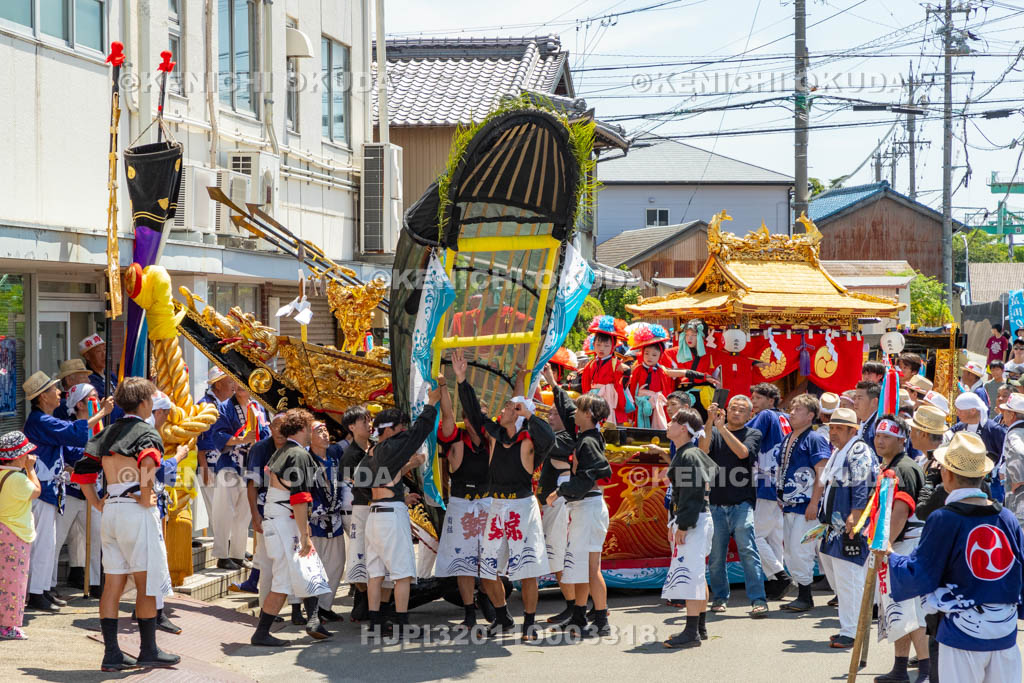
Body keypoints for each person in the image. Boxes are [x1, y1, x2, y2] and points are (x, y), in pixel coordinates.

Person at [887, 431, 1024, 683]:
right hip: (1004, 631)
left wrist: (889, 556)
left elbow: (921, 572)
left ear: (946, 474)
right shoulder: (1007, 518)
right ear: (983, 475)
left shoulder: (944, 518)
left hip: (962, 633)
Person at [70, 377, 181, 670]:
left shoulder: (105, 433)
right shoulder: (146, 431)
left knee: (112, 585)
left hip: (112, 511)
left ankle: (112, 654)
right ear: (144, 403)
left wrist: (96, 503)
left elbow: (82, 473)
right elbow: (148, 462)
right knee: (147, 586)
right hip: (135, 510)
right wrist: (146, 496)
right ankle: (149, 650)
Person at [455, 349, 554, 639]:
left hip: (522, 507)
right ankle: (502, 618)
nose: (506, 407)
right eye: (507, 406)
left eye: (511, 406)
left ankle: (531, 623)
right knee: (486, 569)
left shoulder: (528, 442)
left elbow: (549, 439)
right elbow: (474, 413)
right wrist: (462, 380)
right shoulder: (495, 436)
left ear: (520, 413)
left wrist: (530, 412)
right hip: (497, 507)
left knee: (527, 570)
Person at [22, 371, 111, 612]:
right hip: (42, 490)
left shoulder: (45, 419)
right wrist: (101, 413)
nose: (59, 392)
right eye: (53, 389)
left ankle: (42, 589)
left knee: (48, 544)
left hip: (50, 490)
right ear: (42, 397)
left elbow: (70, 434)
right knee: (42, 543)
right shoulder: (39, 420)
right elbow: (72, 431)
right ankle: (35, 592)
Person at [249, 408, 331, 646]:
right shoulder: (298, 454)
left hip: (278, 519)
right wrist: (305, 535)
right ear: (303, 428)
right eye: (310, 427)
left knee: (298, 572)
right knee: (289, 576)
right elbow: (299, 498)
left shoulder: (284, 451)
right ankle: (263, 633)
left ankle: (310, 621)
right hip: (285, 521)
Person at [364, 397, 436, 639]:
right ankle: (402, 624)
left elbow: (363, 482)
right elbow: (419, 433)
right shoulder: (390, 447)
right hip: (390, 516)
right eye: (400, 427)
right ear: (390, 429)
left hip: (374, 515)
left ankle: (375, 624)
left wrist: (404, 468)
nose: (403, 430)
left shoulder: (371, 451)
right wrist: (431, 404)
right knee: (402, 574)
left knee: (375, 574)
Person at [547, 392, 612, 638]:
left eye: (578, 409)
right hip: (586, 508)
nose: (572, 413)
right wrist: (554, 386)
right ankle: (578, 616)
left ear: (588, 414)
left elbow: (598, 469)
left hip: (589, 508)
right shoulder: (586, 436)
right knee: (583, 566)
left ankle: (601, 620)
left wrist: (561, 490)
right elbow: (565, 409)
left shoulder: (588, 441)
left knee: (591, 567)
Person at [698, 396, 769, 617]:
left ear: (750, 416)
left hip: (742, 502)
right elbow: (703, 450)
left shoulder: (753, 434)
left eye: (742, 410)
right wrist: (710, 422)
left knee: (748, 550)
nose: (736, 412)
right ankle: (720, 597)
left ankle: (758, 599)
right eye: (733, 409)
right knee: (717, 555)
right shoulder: (715, 429)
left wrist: (721, 428)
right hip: (717, 502)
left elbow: (742, 453)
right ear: (726, 410)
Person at [872, 414, 930, 683]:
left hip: (902, 546)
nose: (879, 440)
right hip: (895, 545)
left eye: (886, 437)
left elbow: (901, 509)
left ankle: (926, 670)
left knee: (912, 611)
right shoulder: (892, 465)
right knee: (898, 612)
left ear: (901, 440)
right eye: (877, 435)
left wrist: (884, 545)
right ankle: (899, 668)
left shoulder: (903, 468)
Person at [816, 408, 878, 648]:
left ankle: (851, 632)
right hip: (836, 525)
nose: (833, 432)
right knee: (842, 578)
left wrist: (855, 515)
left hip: (850, 525)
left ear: (853, 430)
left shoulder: (859, 449)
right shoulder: (840, 451)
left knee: (849, 580)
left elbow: (862, 483)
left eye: (839, 428)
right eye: (831, 427)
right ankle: (851, 625)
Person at [436, 373, 493, 629]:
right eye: (470, 415)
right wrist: (443, 386)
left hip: (487, 504)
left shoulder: (492, 442)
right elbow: (447, 416)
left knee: (490, 558)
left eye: (479, 415)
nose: (473, 421)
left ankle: (489, 597)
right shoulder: (457, 441)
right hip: (461, 505)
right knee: (464, 563)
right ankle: (469, 611)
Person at [661, 408, 717, 649]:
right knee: (696, 573)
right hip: (700, 518)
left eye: (673, 420)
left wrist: (683, 524)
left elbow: (692, 493)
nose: (669, 422)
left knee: (691, 575)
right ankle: (699, 627)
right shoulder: (690, 453)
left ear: (683, 428)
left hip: (693, 520)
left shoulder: (688, 455)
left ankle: (692, 631)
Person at [776, 394, 831, 613]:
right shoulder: (788, 437)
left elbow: (822, 472)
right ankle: (802, 593)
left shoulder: (815, 438)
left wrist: (814, 502)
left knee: (802, 550)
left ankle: (805, 596)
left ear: (810, 415)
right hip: (790, 503)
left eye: (797, 409)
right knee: (790, 551)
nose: (791, 412)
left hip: (806, 504)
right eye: (791, 408)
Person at [56, 383, 106, 598]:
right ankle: (45, 586)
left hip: (94, 493)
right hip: (71, 493)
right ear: (80, 403)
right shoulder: (68, 428)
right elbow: (73, 457)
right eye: (93, 398)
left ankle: (95, 583)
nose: (97, 401)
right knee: (56, 540)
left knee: (98, 539)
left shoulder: (102, 428)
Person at [209, 385, 266, 570]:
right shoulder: (224, 407)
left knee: (244, 513)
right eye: (238, 383)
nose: (242, 387)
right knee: (224, 511)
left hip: (251, 465)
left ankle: (238, 554)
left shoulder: (258, 406)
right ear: (233, 385)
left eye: (245, 383)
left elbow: (266, 433)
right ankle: (221, 554)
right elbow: (217, 435)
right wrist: (241, 439)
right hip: (230, 464)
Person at [747, 382, 791, 601]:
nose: (753, 402)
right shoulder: (786, 418)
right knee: (774, 537)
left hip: (766, 480)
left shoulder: (765, 416)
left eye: (757, 398)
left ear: (771, 400)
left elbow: (744, 435)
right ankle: (776, 582)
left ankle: (780, 576)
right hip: (783, 483)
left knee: (754, 536)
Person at [0, 431, 42, 640]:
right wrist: (30, 469)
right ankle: (8, 626)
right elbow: (36, 490)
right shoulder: (17, 478)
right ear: (18, 456)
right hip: (14, 533)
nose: (28, 457)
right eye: (26, 454)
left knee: (2, 580)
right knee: (14, 582)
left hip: (3, 529)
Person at [244, 412, 286, 607]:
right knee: (267, 560)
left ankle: (294, 608)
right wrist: (254, 515)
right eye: (275, 426)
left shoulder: (294, 448)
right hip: (265, 509)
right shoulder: (260, 449)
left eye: (283, 426)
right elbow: (252, 485)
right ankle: (265, 607)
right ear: (269, 428)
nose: (279, 430)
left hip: (290, 510)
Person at [340, 405, 377, 622]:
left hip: (380, 510)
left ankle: (374, 602)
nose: (369, 424)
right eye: (364, 421)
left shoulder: (377, 447)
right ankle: (362, 597)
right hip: (361, 510)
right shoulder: (350, 455)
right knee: (359, 558)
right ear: (351, 427)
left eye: (370, 420)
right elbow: (359, 484)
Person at [309, 420, 347, 624]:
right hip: (314, 520)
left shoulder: (333, 456)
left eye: (325, 430)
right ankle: (312, 609)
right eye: (319, 431)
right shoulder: (305, 458)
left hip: (335, 517)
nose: (324, 434)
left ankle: (325, 606)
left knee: (337, 563)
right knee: (315, 566)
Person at [195, 367, 236, 528]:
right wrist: (204, 468)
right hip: (211, 465)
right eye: (230, 381)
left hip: (226, 464)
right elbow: (199, 439)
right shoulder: (205, 406)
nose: (234, 385)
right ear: (217, 385)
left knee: (229, 508)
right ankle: (225, 548)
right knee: (217, 510)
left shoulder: (225, 405)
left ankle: (230, 547)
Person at [951, 392, 1007, 502]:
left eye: (960, 410)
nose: (957, 414)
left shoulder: (994, 430)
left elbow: (1006, 453)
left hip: (991, 483)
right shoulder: (961, 427)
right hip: (964, 482)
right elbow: (946, 436)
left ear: (973, 410)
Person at [580, 316, 627, 425]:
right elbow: (585, 385)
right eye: (598, 345)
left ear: (613, 347)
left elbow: (618, 385)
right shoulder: (590, 365)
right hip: (593, 397)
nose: (601, 349)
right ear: (593, 345)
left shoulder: (616, 364)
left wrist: (620, 404)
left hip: (609, 397)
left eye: (606, 346)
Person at [998, 392, 1024, 525]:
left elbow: (1018, 452)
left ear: (1012, 414)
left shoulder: (1014, 434)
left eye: (1006, 411)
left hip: (1019, 501)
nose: (1003, 413)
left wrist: (1018, 478)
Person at [78, 333, 115, 401]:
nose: (104, 354)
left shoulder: (110, 374)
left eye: (104, 349)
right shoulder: (88, 379)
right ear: (87, 356)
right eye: (98, 351)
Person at [853, 381, 881, 451]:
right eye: (855, 398)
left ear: (874, 402)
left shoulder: (877, 429)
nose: (855, 403)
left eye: (860, 398)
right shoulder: (864, 423)